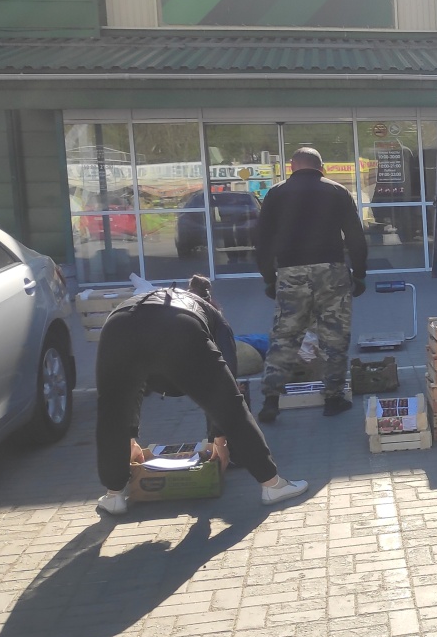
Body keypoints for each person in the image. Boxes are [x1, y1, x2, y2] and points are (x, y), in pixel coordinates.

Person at [94, 275, 306, 516]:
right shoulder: (213, 317)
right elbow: (227, 389)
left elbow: (127, 394)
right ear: (213, 303)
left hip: (116, 328)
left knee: (111, 411)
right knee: (232, 408)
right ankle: (272, 485)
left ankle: (114, 494)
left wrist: (129, 439)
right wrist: (220, 439)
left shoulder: (152, 299)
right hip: (177, 329)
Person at [254, 146, 367, 421]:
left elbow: (262, 240)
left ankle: (271, 400)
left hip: (290, 272)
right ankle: (333, 399)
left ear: (292, 165)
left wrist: (270, 278)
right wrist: (360, 273)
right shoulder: (337, 191)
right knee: (334, 336)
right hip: (332, 271)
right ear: (321, 167)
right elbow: (355, 236)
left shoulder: (276, 193)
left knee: (285, 336)